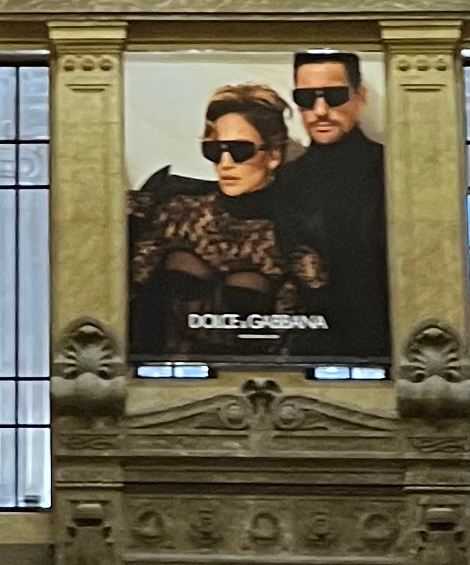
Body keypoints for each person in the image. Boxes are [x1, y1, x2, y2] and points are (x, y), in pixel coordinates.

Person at [125, 81, 329, 366]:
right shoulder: (176, 211)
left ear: (273, 155)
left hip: (252, 390)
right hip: (163, 384)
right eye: (214, 150)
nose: (224, 162)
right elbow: (122, 297)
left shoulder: (292, 232)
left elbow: (303, 336)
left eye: (240, 150)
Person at [276, 49, 392, 363]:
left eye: (335, 95)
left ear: (360, 96)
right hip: (303, 351)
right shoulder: (285, 179)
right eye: (306, 98)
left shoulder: (391, 169)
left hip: (380, 347)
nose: (320, 110)